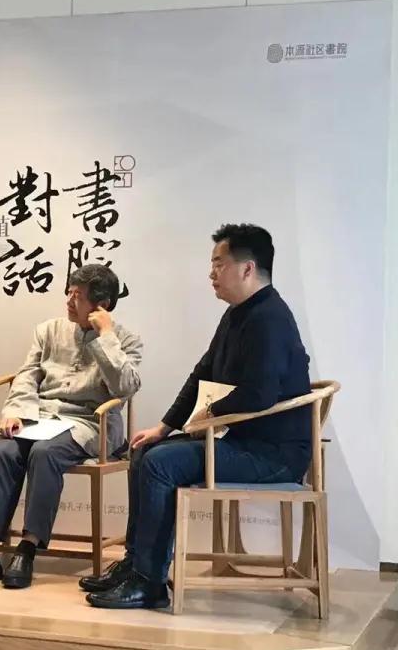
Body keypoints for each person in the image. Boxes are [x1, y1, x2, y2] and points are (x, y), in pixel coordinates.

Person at [85, 224, 312, 610]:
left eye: (219, 264)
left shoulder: (270, 317)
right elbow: (202, 373)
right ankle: (136, 565)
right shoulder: (237, 315)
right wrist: (164, 427)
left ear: (247, 268)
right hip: (239, 441)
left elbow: (260, 393)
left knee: (160, 465)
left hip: (273, 454)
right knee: (144, 450)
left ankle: (150, 582)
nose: (211, 273)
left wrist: (210, 414)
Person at [0, 264, 143, 589]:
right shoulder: (49, 330)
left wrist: (106, 337)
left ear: (102, 304)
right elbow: (27, 376)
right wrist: (15, 412)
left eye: (77, 296)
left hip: (89, 422)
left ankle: (27, 549)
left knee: (44, 453)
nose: (68, 300)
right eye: (69, 292)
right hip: (39, 417)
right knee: (2, 449)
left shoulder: (126, 340)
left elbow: (125, 387)